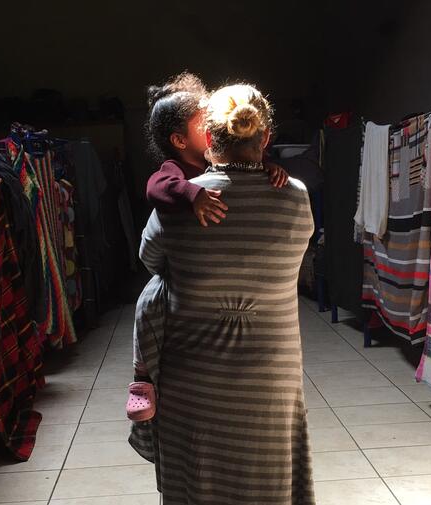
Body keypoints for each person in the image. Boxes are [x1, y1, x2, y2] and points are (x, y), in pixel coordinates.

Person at [131, 82, 316, 504]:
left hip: (194, 380)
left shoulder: (178, 205)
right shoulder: (296, 198)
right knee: (268, 476)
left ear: (209, 139)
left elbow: (150, 261)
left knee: (198, 479)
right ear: (265, 137)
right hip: (272, 375)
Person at [127, 73, 288, 422]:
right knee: (149, 303)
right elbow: (157, 186)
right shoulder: (175, 170)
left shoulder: (215, 164)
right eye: (204, 123)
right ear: (180, 140)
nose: (216, 125)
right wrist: (192, 193)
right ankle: (141, 379)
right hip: (176, 273)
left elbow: (248, 162)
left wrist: (269, 168)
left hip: (200, 279)